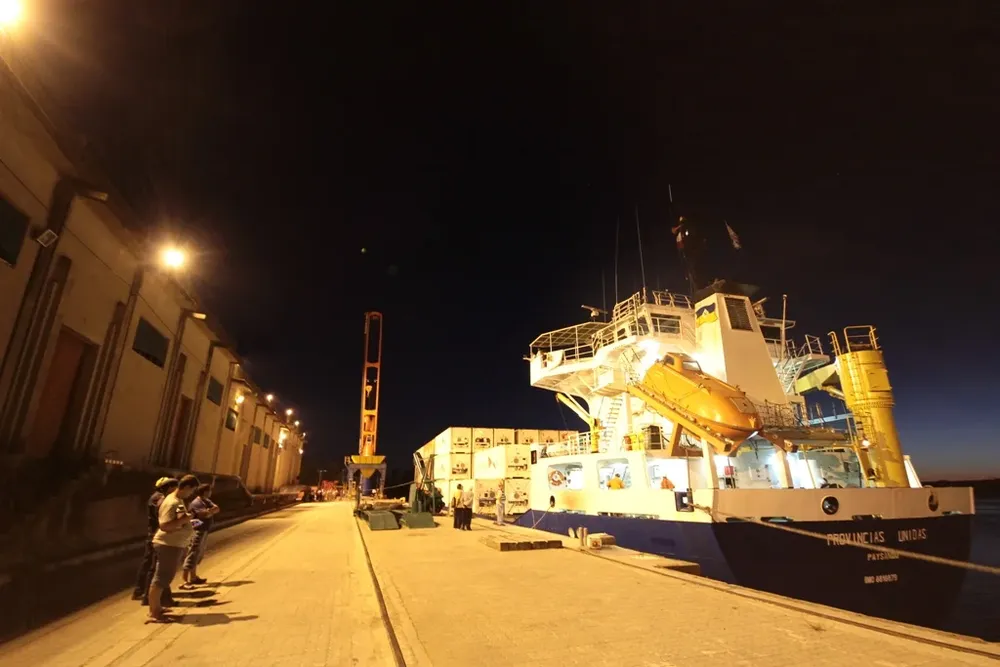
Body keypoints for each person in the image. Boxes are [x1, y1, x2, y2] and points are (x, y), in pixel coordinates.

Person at [147, 474, 199, 623]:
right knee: (161, 578)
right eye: (192, 490)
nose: (191, 494)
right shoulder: (172, 502)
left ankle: (157, 607)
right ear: (187, 487)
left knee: (165, 578)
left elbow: (180, 518)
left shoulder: (178, 500)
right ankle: (154, 612)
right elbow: (165, 526)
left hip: (174, 544)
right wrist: (185, 519)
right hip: (167, 544)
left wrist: (187, 520)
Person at [133, 477, 178, 607]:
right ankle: (154, 597)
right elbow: (163, 512)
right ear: (169, 488)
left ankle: (144, 592)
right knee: (158, 567)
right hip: (157, 536)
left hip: (156, 535)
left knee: (151, 565)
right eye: (175, 488)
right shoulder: (159, 498)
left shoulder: (159, 497)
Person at [182, 483, 220, 587]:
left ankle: (193, 577)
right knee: (192, 553)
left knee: (197, 554)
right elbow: (205, 515)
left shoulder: (206, 501)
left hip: (204, 529)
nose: (211, 492)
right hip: (197, 530)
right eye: (209, 490)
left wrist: (209, 512)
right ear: (205, 492)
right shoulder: (197, 502)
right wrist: (209, 512)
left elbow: (216, 509)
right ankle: (185, 580)